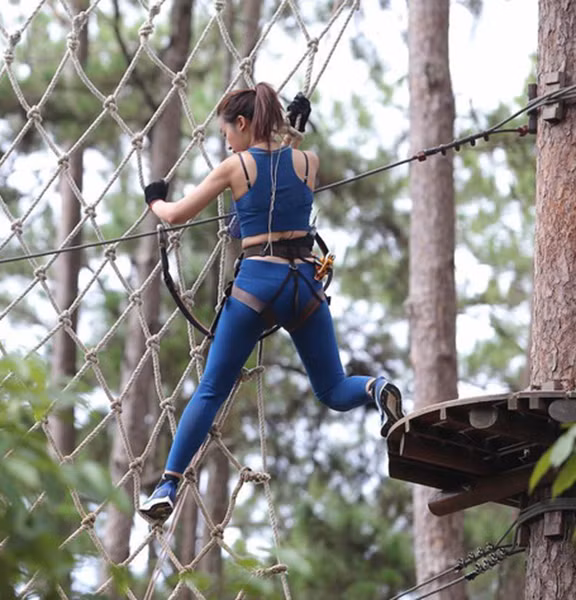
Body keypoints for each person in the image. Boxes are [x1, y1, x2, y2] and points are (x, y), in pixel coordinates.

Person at [139, 82, 403, 522]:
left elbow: (175, 215)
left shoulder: (234, 167)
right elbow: (282, 173)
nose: (226, 141)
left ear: (242, 124)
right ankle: (377, 389)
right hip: (304, 285)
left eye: (227, 132)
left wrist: (154, 198)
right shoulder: (308, 162)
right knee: (335, 389)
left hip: (256, 285)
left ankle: (167, 484)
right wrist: (292, 133)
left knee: (210, 390)